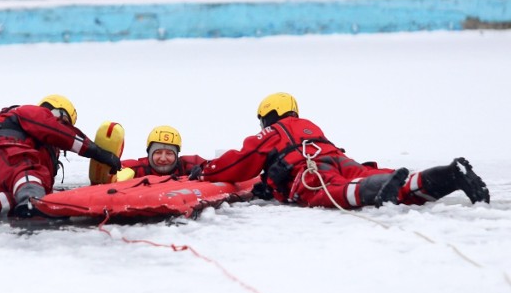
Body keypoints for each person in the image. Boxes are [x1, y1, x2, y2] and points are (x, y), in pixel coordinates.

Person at [189, 92, 490, 208]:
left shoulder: (274, 131)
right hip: (339, 158)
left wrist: (205, 170)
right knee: (387, 180)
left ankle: (378, 189)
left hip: (312, 172)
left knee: (334, 191)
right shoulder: (309, 127)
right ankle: (450, 175)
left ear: (268, 115)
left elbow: (241, 162)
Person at [0, 94, 122, 218]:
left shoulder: (43, 149)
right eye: (63, 120)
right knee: (29, 173)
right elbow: (59, 132)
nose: (62, 126)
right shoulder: (32, 112)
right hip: (6, 153)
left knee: (14, 198)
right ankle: (32, 204)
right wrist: (99, 153)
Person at [120, 125, 207, 178]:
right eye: (158, 152)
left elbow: (216, 167)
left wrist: (204, 172)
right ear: (149, 154)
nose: (163, 158)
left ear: (176, 155)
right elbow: (110, 171)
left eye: (169, 153)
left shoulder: (187, 165)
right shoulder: (136, 169)